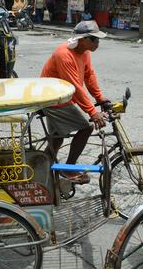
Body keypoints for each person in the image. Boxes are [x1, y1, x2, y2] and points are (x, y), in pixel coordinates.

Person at [40, 20, 109, 184]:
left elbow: (89, 76)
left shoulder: (84, 52)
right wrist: (93, 112)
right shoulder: (64, 55)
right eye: (94, 39)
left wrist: (100, 98)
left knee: (57, 138)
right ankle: (68, 168)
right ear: (83, 39)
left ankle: (42, 168)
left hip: (63, 96)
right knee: (87, 128)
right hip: (53, 99)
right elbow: (75, 87)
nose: (97, 43)